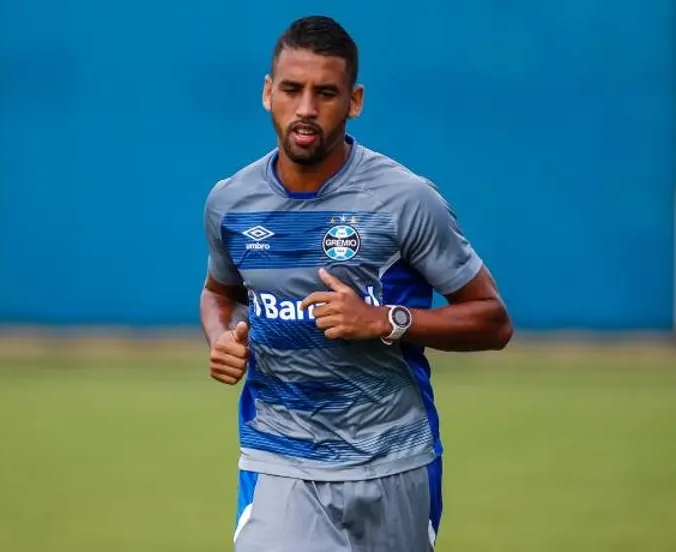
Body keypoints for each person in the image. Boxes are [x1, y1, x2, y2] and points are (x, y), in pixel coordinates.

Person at [199, 14, 513, 552]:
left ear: (355, 100)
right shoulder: (230, 202)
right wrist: (221, 339)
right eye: (292, 90)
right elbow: (218, 293)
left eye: (326, 93)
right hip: (279, 460)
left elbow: (492, 320)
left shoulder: (405, 200)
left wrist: (385, 321)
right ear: (267, 93)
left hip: (395, 460)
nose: (305, 108)